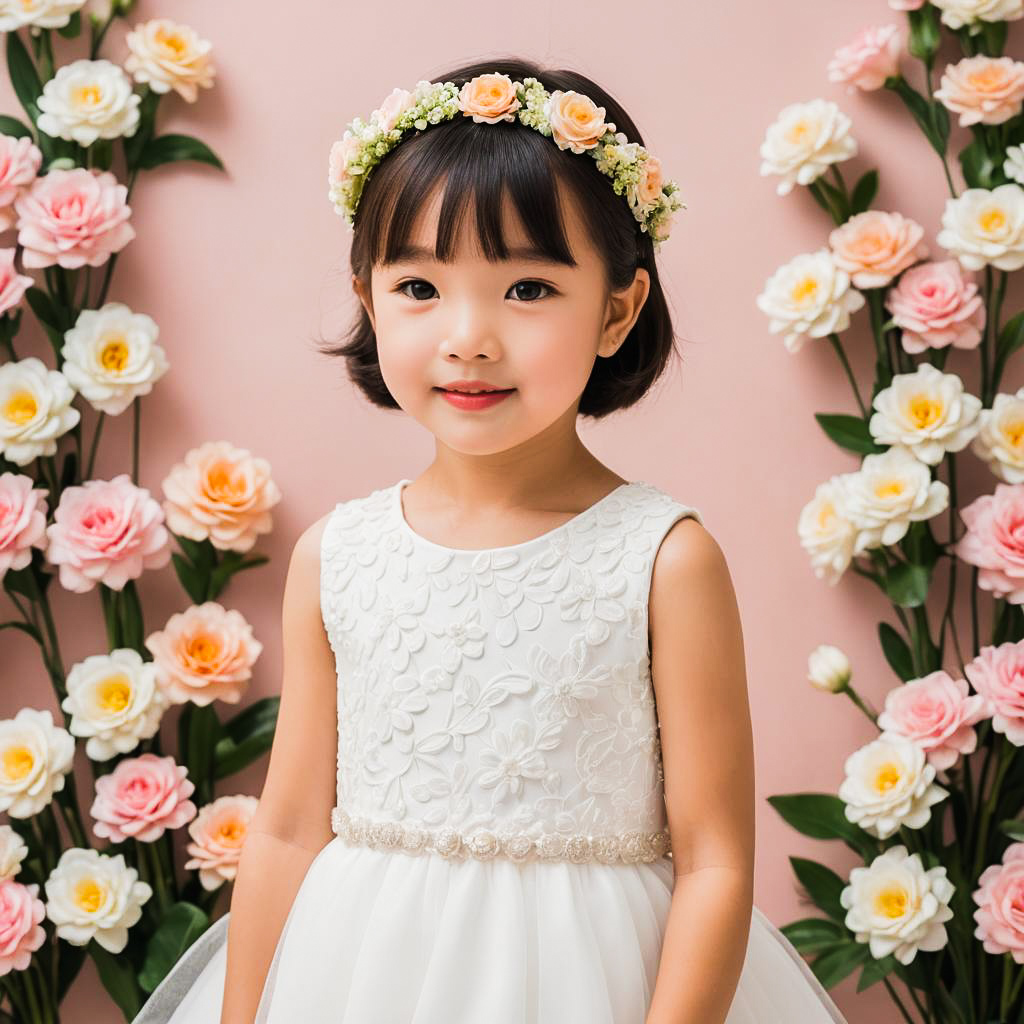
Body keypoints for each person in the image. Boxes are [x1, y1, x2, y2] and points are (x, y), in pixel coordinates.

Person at [132, 57, 851, 1024]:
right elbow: (290, 831)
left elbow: (716, 860)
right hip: (357, 977)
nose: (468, 336)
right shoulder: (339, 556)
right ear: (368, 296)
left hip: (593, 984)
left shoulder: (661, 559)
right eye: (421, 286)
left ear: (617, 308)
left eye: (527, 290)